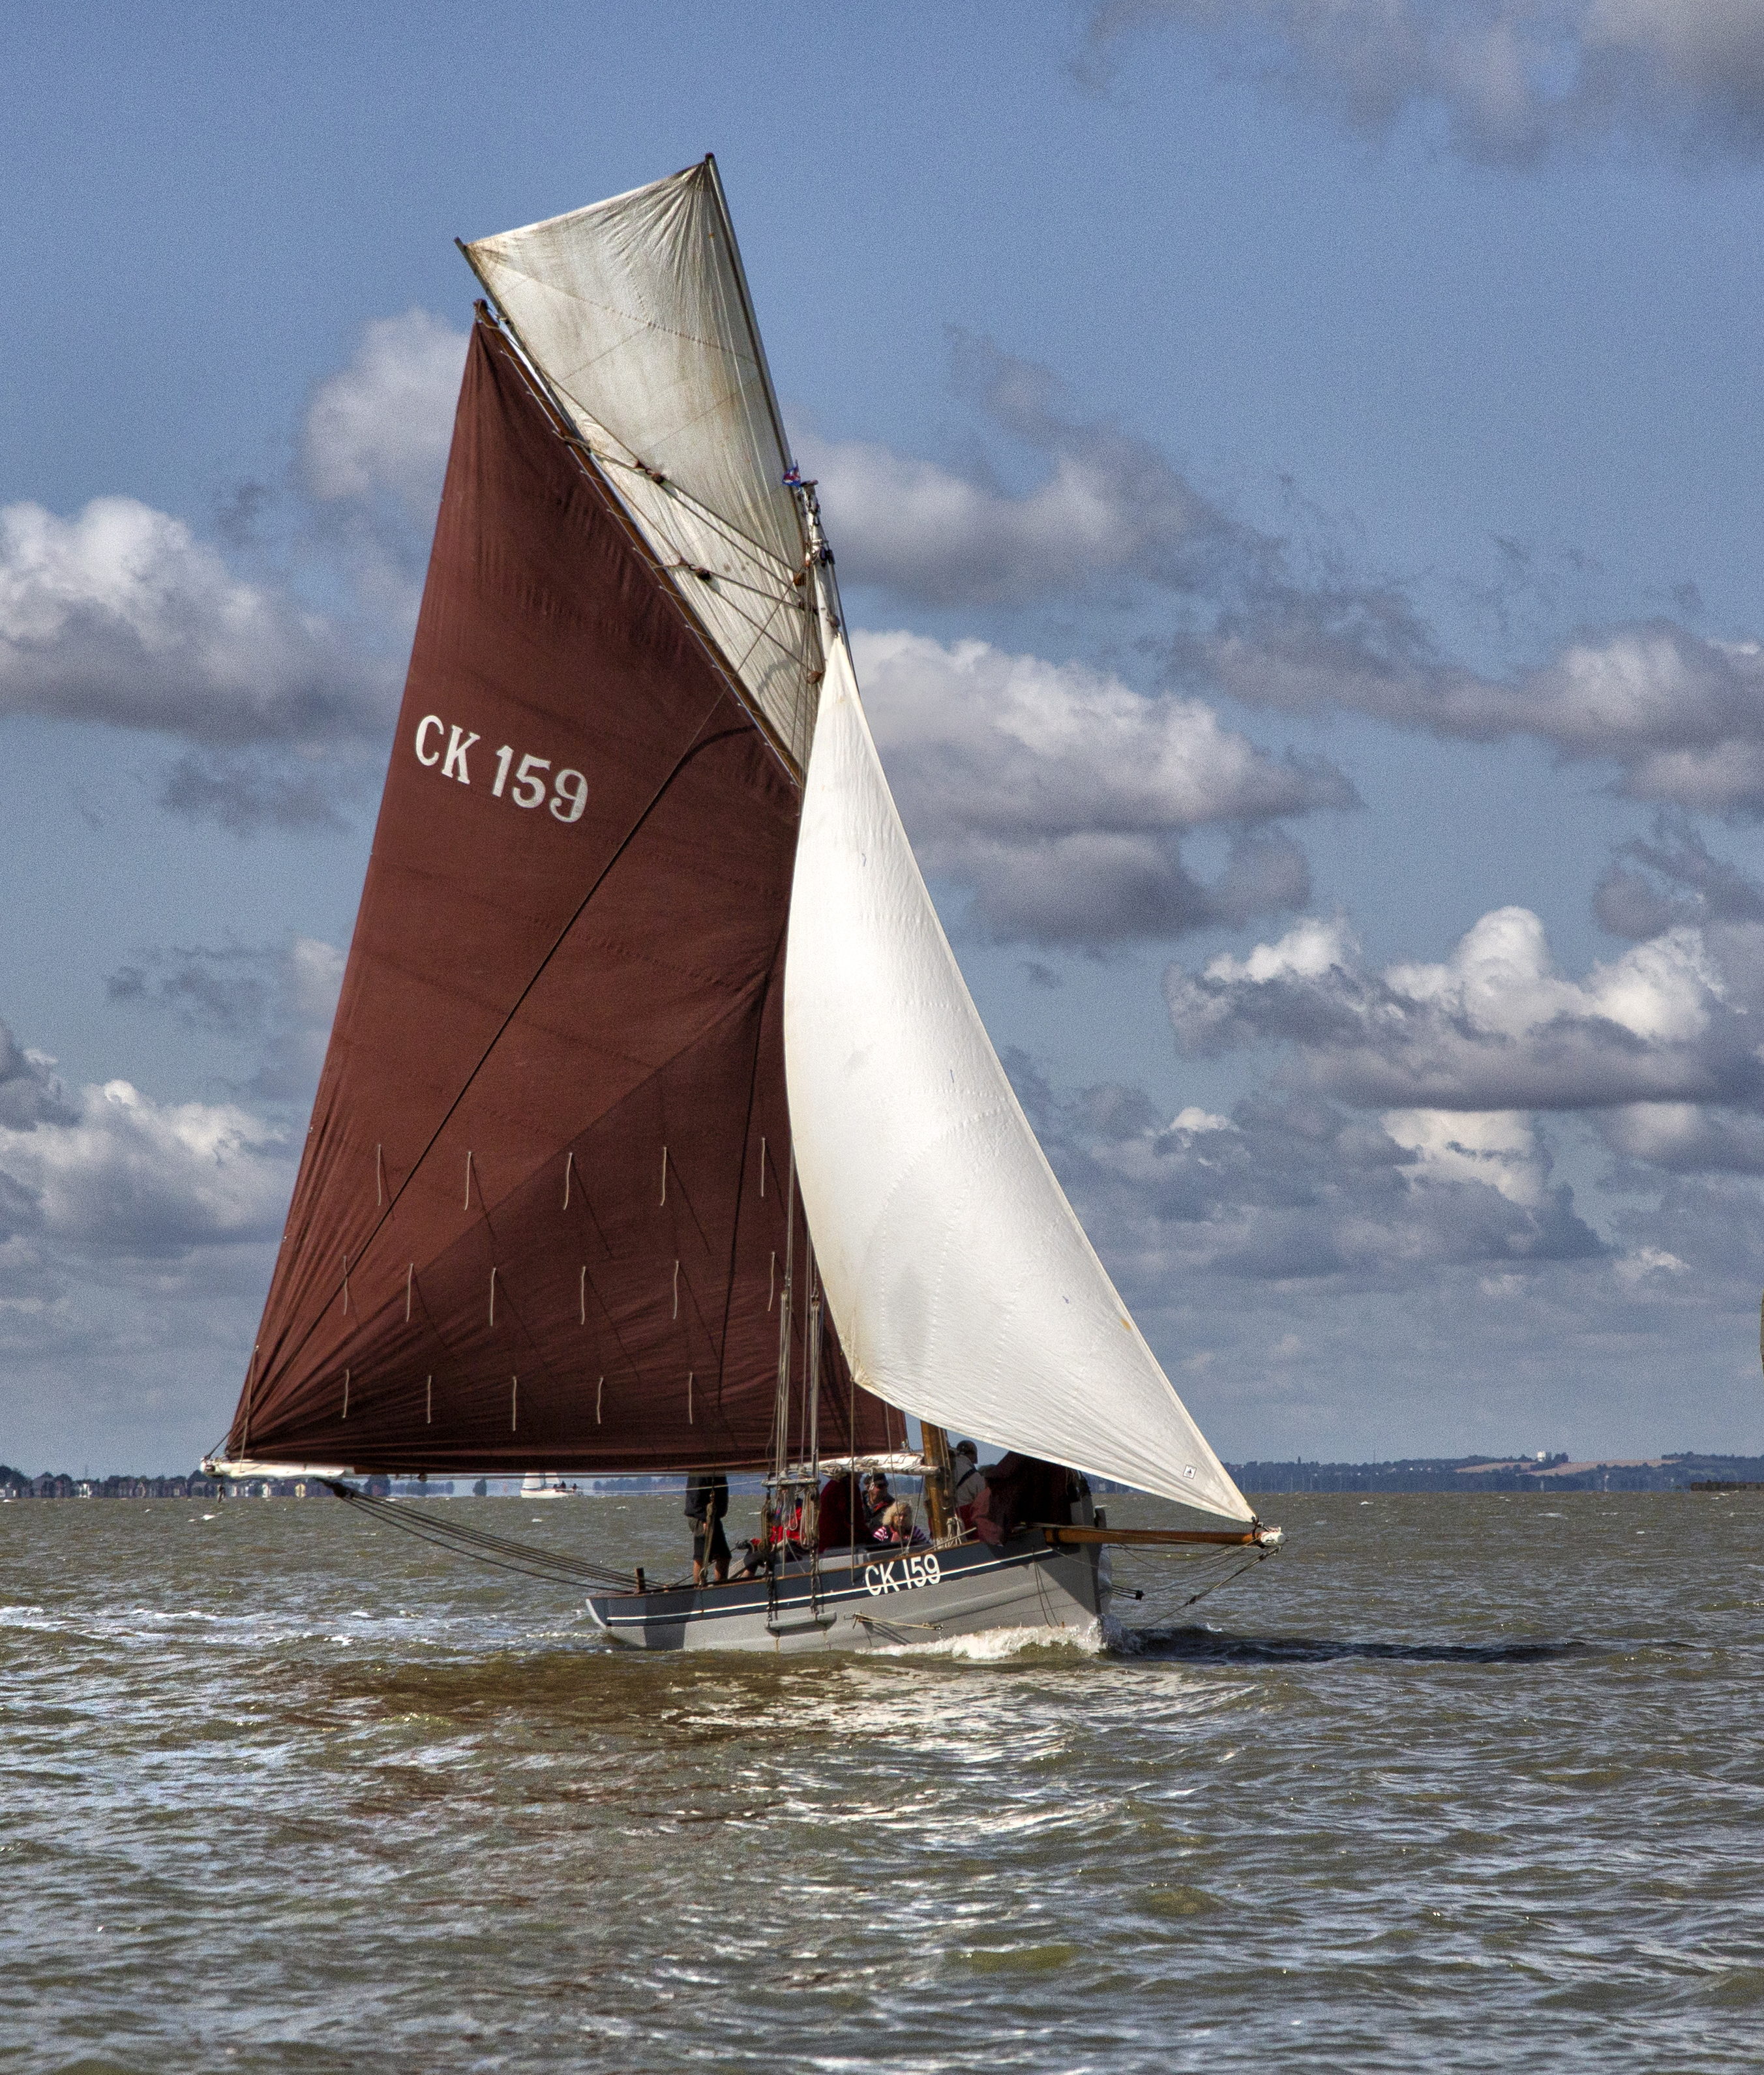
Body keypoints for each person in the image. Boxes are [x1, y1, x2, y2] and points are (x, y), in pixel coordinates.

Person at [684, 1470, 730, 1585]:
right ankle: (700, 1588)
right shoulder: (701, 1467)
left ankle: (719, 1586)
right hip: (702, 1517)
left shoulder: (716, 1468)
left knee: (723, 1556)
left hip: (712, 1516)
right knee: (702, 1558)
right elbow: (696, 1493)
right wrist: (704, 1519)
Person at [951, 1440, 985, 1529]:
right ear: (974, 1456)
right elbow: (984, 1500)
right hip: (966, 1522)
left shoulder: (946, 1467)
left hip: (944, 1523)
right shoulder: (974, 1475)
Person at [860, 1471, 893, 1537]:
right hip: (860, 1542)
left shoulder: (892, 1505)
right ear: (869, 1488)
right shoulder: (857, 1502)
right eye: (880, 1486)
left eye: (886, 1485)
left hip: (880, 1543)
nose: (884, 1488)